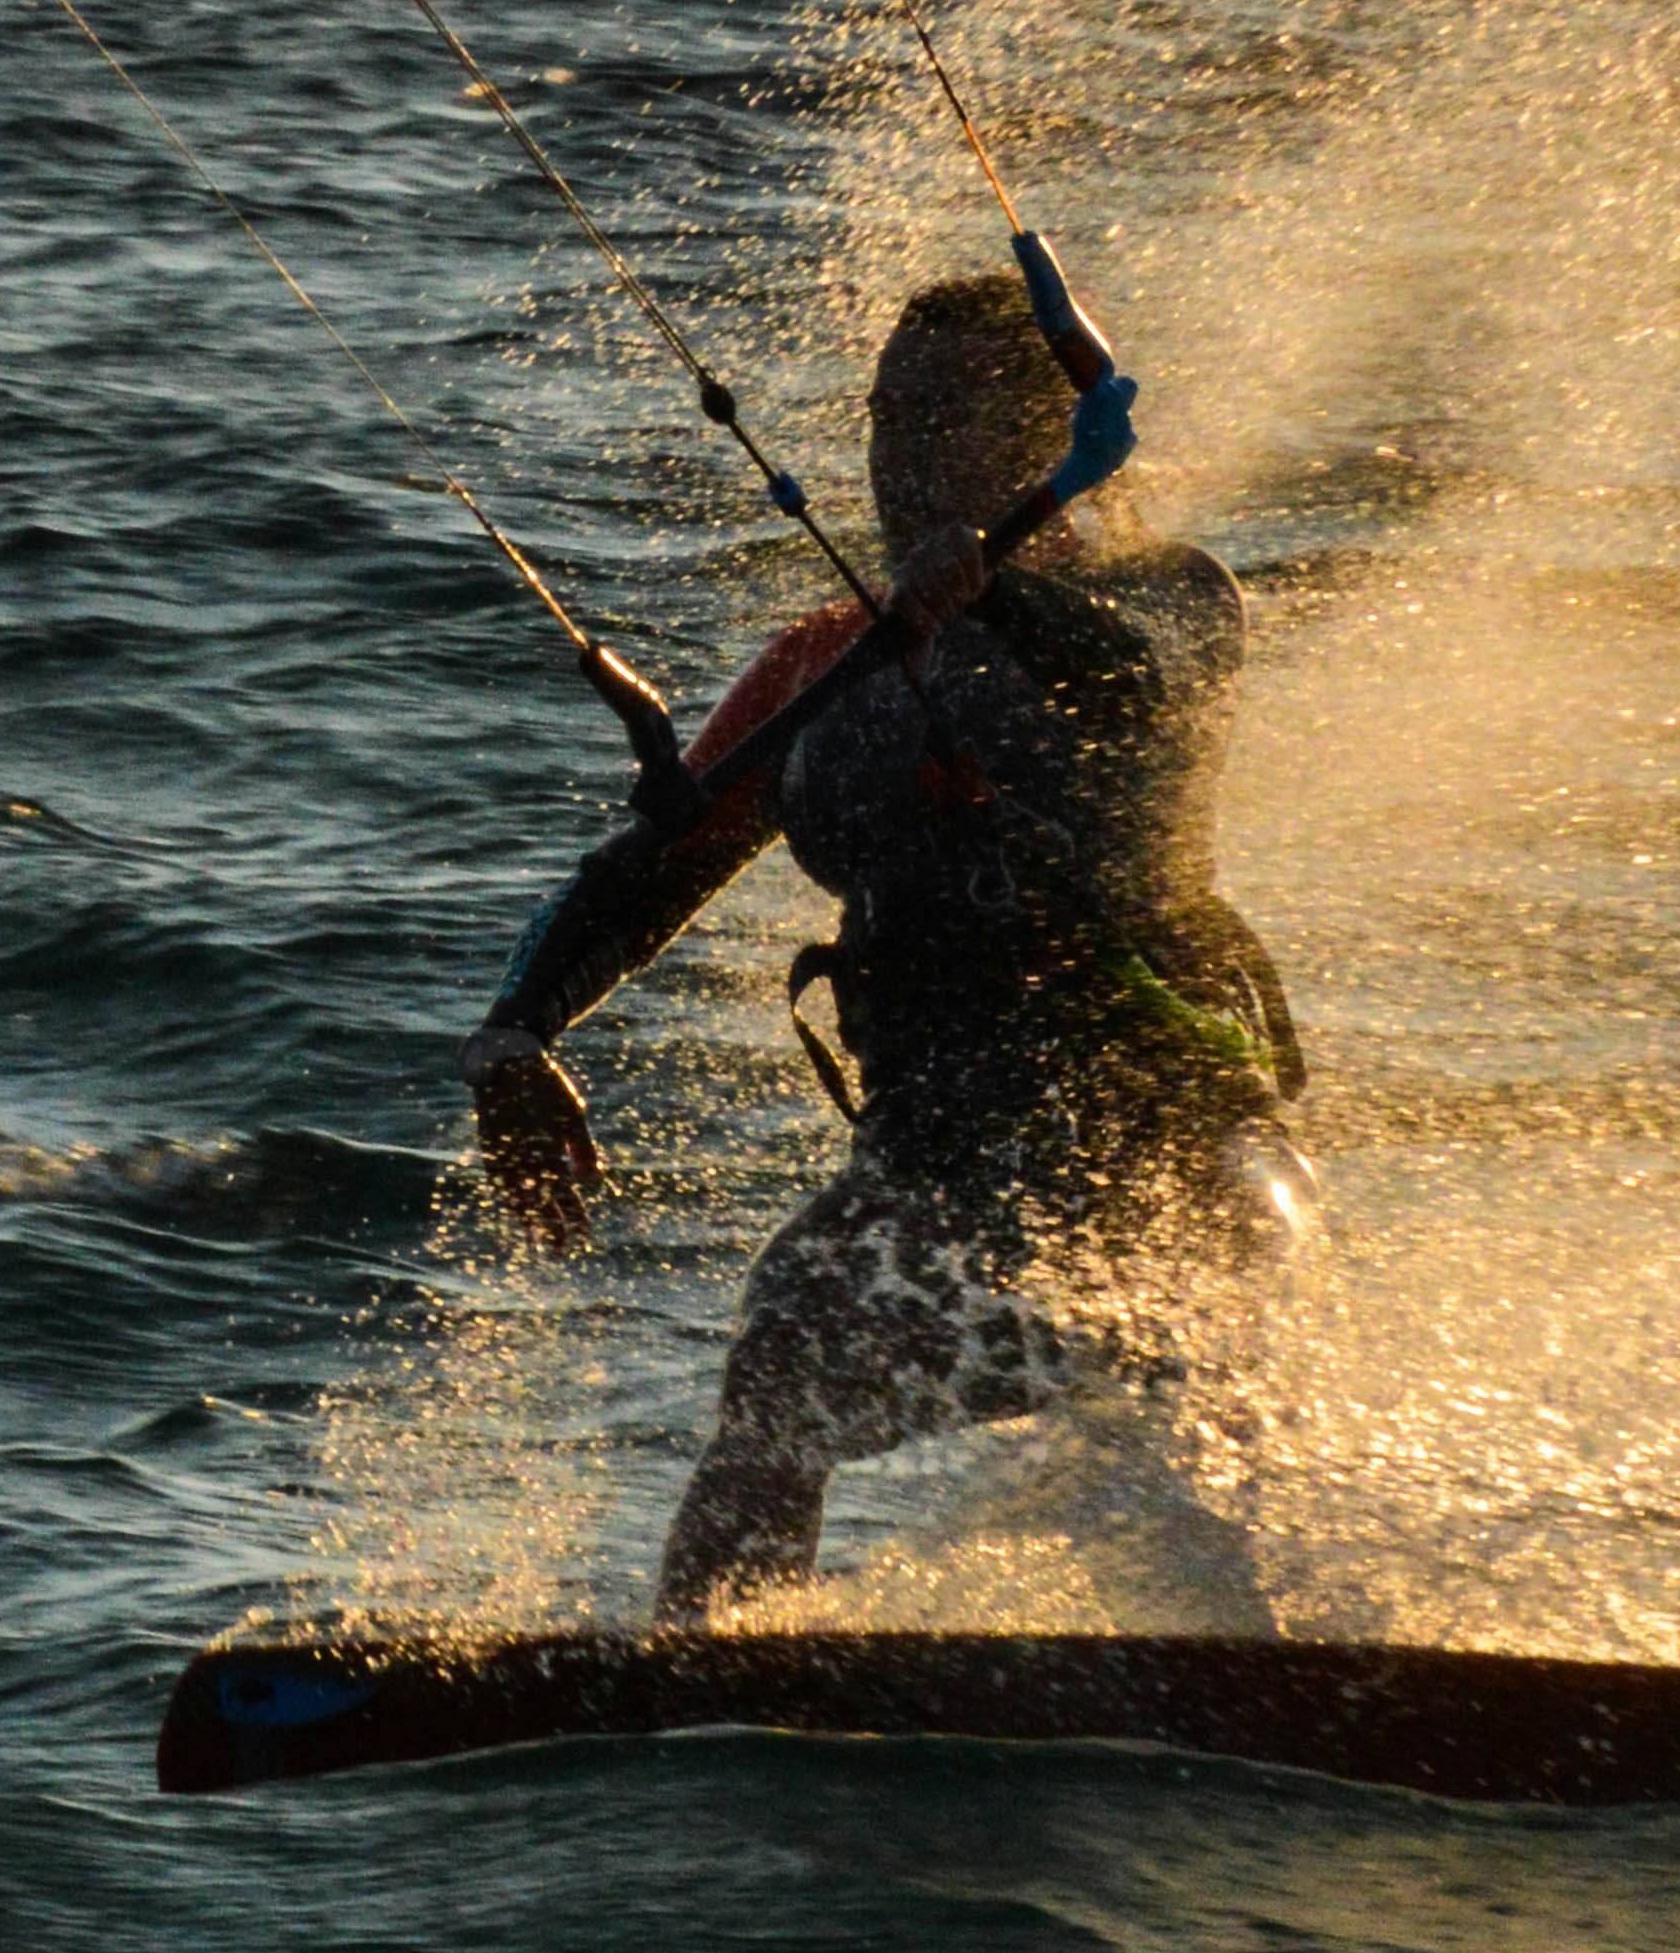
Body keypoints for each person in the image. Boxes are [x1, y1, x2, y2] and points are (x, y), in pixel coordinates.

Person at [457, 272, 1313, 1621]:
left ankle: (1258, 1675)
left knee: (1175, 1428)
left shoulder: (1168, 597)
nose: (906, 452)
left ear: (1051, 436)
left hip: (1169, 1144)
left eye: (955, 415)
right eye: (888, 414)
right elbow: (647, 872)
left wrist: (989, 596)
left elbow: (1134, 689)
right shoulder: (817, 671)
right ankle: (707, 1679)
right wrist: (516, 1032)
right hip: (944, 1163)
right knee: (783, 1358)